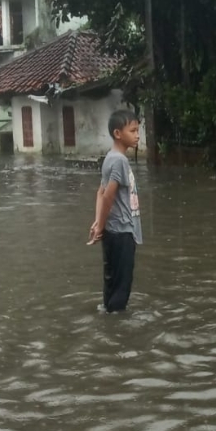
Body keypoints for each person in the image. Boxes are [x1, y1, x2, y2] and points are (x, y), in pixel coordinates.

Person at [88, 110, 143, 313]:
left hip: (113, 231)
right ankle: (117, 329)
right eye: (133, 130)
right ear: (118, 133)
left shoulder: (110, 158)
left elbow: (100, 192)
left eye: (138, 130)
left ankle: (108, 316)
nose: (138, 135)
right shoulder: (119, 161)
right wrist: (100, 225)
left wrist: (98, 224)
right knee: (122, 284)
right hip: (122, 232)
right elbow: (108, 196)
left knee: (111, 281)